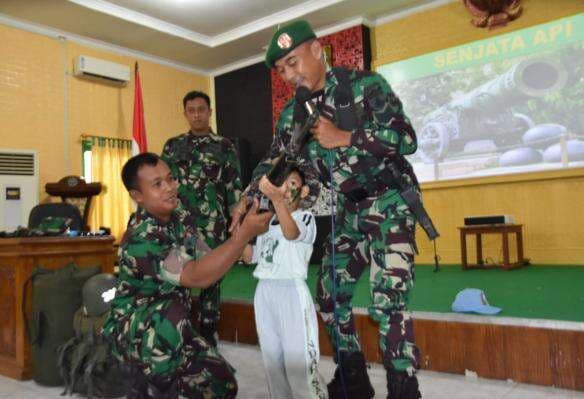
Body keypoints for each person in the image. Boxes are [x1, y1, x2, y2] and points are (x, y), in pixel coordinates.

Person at [230, 20, 423, 399]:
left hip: (390, 204)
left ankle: (404, 389)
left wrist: (345, 137)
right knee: (331, 296)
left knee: (388, 303)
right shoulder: (293, 114)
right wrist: (247, 195)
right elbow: (275, 161)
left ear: (318, 50)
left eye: (293, 62)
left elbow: (406, 138)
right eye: (281, 69)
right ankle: (354, 381)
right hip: (348, 211)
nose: (288, 74)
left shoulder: (365, 86)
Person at [102, 152, 271, 398]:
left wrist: (241, 244)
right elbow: (196, 276)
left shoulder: (178, 214)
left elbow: (204, 256)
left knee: (221, 386)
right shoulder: (143, 237)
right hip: (136, 331)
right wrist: (242, 236)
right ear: (137, 196)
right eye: (157, 184)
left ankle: (167, 377)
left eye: (170, 179)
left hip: (170, 328)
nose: (170, 188)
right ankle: (143, 384)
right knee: (171, 312)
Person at [162, 90, 243, 346]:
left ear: (210, 112)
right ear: (185, 113)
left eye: (201, 109)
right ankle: (182, 329)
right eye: (191, 110)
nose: (196, 114)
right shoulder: (172, 146)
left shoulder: (224, 146)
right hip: (180, 225)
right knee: (179, 277)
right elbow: (163, 186)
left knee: (211, 279)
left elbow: (234, 188)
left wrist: (236, 226)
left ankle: (209, 333)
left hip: (212, 225)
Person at [241, 168, 326, 399]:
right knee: (273, 361)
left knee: (299, 361)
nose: (286, 189)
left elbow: (291, 234)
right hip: (265, 292)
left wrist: (277, 201)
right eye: (281, 184)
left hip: (291, 292)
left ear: (304, 190)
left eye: (293, 183)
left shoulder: (305, 218)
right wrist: (241, 230)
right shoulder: (267, 224)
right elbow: (250, 257)